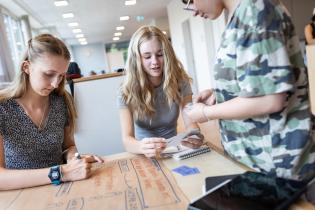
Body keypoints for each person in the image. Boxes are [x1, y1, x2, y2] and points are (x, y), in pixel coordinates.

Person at [183, 0, 315, 180]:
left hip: (280, 166)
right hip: (256, 164)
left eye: (189, 1)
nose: (193, 11)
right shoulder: (239, 15)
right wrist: (220, 92)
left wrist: (206, 112)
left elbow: (270, 99)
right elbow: (257, 82)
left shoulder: (254, 9)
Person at [0, 34, 104, 190]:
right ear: (26, 67)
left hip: (61, 188)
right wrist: (61, 172)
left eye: (61, 76)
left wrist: (73, 159)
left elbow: (68, 146)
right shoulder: (3, 107)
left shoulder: (62, 100)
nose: (55, 84)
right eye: (48, 74)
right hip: (20, 193)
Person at [118, 26, 203, 158]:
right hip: (143, 153)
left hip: (174, 150)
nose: (155, 62)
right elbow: (127, 140)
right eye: (147, 57)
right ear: (137, 59)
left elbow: (190, 122)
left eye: (160, 54)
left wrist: (194, 135)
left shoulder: (181, 82)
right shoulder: (126, 91)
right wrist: (142, 147)